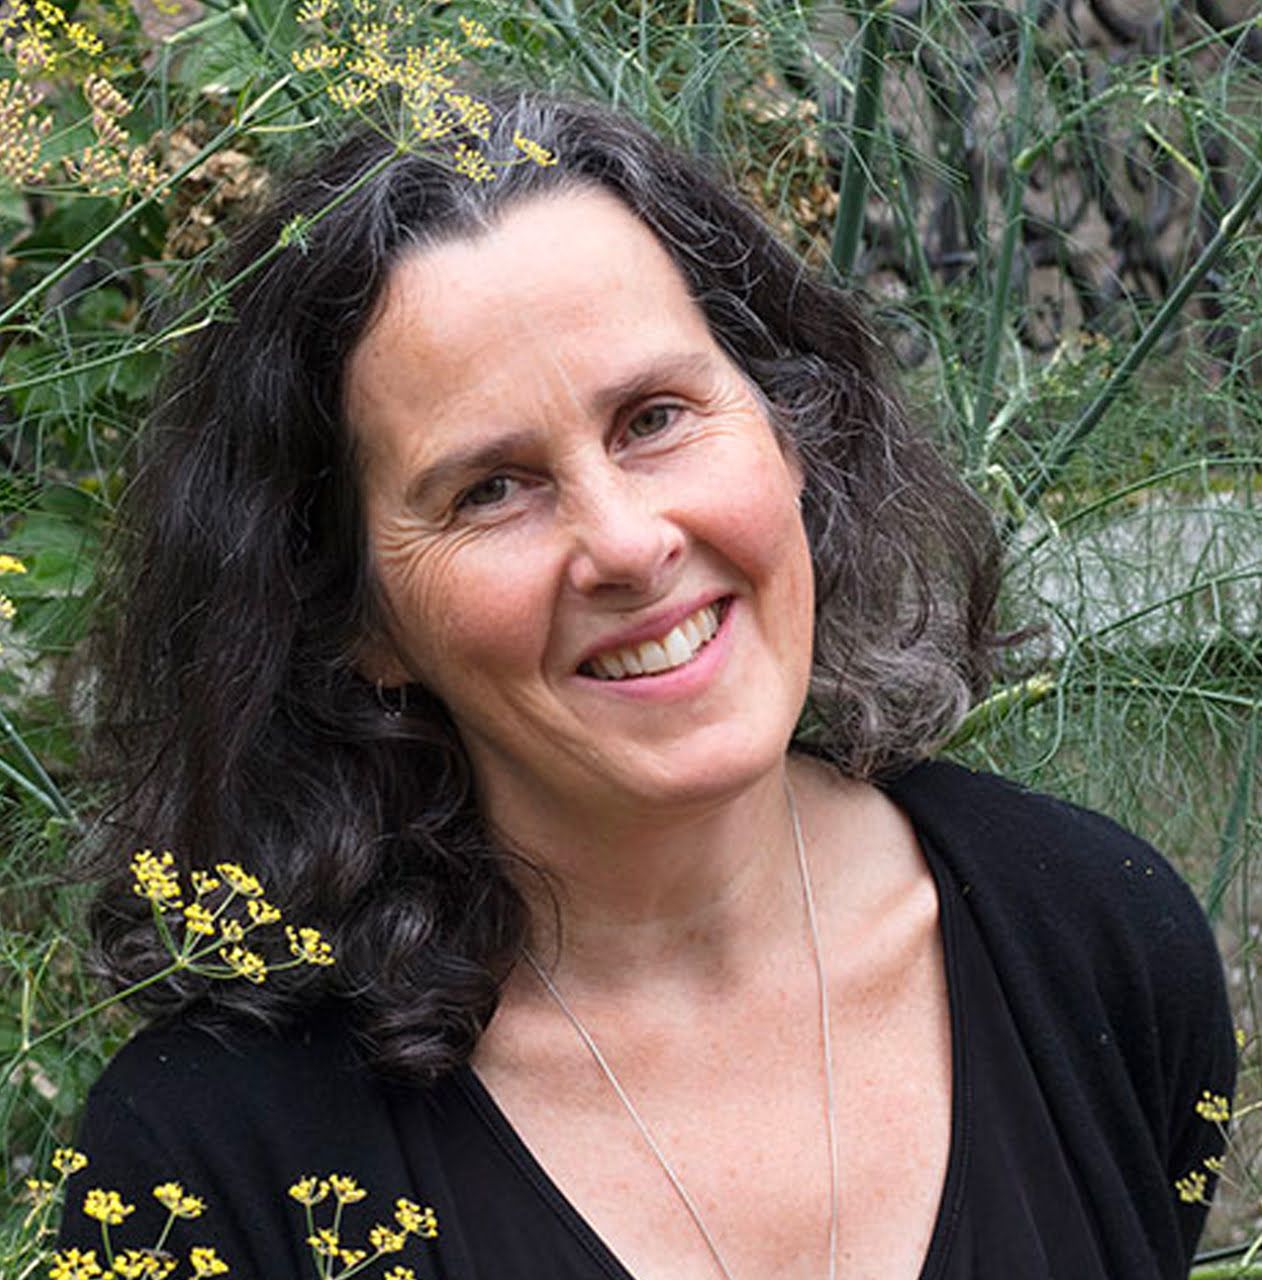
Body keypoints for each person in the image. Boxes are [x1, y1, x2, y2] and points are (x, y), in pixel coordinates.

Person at [60, 91, 1233, 1280]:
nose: (625, 543)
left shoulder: (1094, 938)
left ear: (788, 430)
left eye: (654, 418)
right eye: (489, 489)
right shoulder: (208, 1164)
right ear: (355, 620)